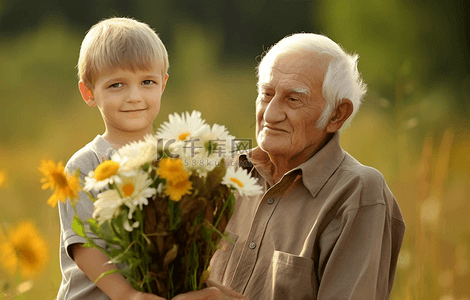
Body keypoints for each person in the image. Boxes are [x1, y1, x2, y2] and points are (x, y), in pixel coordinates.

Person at [172, 33, 405, 300]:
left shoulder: (358, 193)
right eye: (266, 94)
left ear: (336, 114)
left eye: (293, 99)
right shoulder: (222, 175)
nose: (270, 114)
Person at [57, 17, 169, 300]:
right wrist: (128, 295)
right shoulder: (85, 165)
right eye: (117, 85)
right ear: (89, 92)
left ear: (163, 84)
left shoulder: (173, 160)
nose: (134, 96)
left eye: (147, 82)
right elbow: (85, 248)